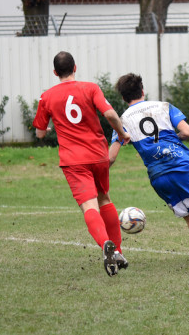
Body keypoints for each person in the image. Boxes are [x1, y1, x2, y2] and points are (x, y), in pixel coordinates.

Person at [108, 73, 189, 268]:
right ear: (143, 91)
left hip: (158, 175)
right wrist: (172, 140)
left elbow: (111, 157)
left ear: (124, 98)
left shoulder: (122, 120)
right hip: (180, 165)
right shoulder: (164, 107)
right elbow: (188, 132)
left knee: (187, 216)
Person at [33, 51, 132, 276]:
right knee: (104, 198)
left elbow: (39, 133)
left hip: (73, 160)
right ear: (75, 68)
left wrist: (47, 130)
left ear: (55, 72)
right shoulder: (90, 88)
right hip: (98, 155)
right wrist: (122, 133)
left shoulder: (46, 96)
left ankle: (106, 245)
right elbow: (110, 114)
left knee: (89, 206)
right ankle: (118, 251)